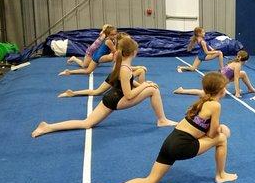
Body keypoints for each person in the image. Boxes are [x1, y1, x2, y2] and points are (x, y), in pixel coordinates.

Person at [85, 72, 237, 183]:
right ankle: (221, 175)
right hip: (183, 145)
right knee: (222, 139)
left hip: (170, 141)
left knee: (150, 181)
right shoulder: (215, 105)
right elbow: (212, 135)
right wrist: (221, 128)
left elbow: (199, 128)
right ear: (221, 90)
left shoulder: (203, 101)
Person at [32, 36, 177, 137]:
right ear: (134, 52)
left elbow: (127, 83)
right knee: (153, 90)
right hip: (117, 100)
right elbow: (129, 95)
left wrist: (142, 84)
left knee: (86, 123)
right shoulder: (125, 69)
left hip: (110, 97)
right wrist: (145, 85)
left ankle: (48, 126)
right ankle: (162, 120)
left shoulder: (122, 65)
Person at [174, 50, 255, 98]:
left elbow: (234, 76)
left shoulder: (235, 62)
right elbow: (236, 79)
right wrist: (237, 93)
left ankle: (250, 89)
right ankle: (182, 90)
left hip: (222, 77)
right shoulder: (238, 65)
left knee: (243, 73)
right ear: (246, 60)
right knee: (204, 93)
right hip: (219, 81)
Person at [58, 66, 147, 98]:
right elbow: (120, 69)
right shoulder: (118, 54)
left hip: (116, 76)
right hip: (117, 77)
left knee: (141, 70)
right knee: (97, 92)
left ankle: (73, 92)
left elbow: (125, 69)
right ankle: (73, 93)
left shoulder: (121, 56)